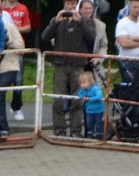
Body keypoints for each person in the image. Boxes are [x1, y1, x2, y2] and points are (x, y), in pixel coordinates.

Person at [42, 0, 95, 137]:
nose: (70, 7)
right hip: (60, 63)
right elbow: (44, 37)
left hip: (77, 64)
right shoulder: (58, 19)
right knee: (58, 99)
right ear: (64, 4)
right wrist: (55, 22)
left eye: (72, 4)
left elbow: (91, 37)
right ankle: (59, 130)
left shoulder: (84, 20)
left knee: (77, 99)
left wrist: (81, 21)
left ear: (76, 4)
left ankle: (76, 131)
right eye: (68, 4)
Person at [0, 18, 23, 138]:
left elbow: (21, 45)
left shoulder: (10, 27)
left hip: (10, 66)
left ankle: (3, 129)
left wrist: (8, 41)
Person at [1, 0, 29, 120]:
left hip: (17, 49)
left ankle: (17, 107)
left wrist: (14, 28)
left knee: (18, 79)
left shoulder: (23, 8)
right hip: (2, 50)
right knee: (1, 81)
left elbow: (28, 27)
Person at [76, 70, 104, 137]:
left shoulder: (95, 89)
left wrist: (90, 99)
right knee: (89, 123)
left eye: (84, 82)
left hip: (98, 110)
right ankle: (90, 134)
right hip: (89, 110)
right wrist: (82, 97)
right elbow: (79, 94)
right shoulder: (83, 90)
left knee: (98, 123)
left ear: (90, 82)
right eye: (80, 83)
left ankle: (99, 135)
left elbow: (99, 96)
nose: (81, 85)